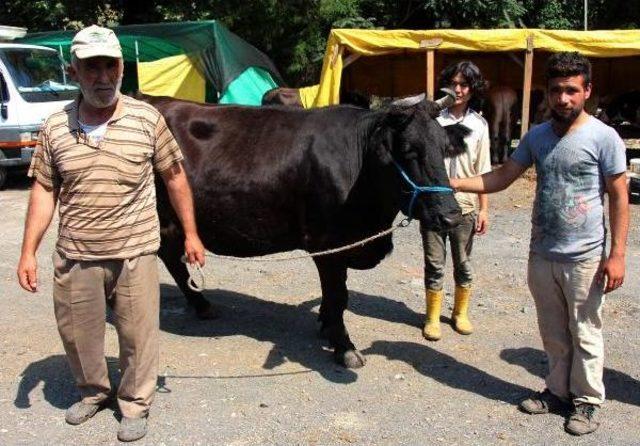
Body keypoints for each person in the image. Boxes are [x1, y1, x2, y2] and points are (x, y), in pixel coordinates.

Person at [16, 25, 206, 442]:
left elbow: (174, 177)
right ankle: (94, 391)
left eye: (110, 65)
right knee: (79, 333)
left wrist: (191, 234)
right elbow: (45, 187)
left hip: (134, 251)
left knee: (138, 334)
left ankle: (135, 402)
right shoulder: (55, 126)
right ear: (74, 71)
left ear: (121, 67)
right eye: (91, 67)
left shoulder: (146, 118)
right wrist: (28, 251)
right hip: (77, 252)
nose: (102, 76)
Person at [450, 52, 628, 436]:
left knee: (585, 330)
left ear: (587, 91)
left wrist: (616, 255)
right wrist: (455, 184)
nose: (563, 99)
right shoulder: (536, 137)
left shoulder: (604, 137)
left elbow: (618, 196)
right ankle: (558, 391)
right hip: (542, 254)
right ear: (545, 93)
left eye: (571, 91)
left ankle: (587, 401)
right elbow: (502, 177)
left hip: (585, 258)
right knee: (551, 330)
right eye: (556, 91)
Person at [422, 61, 491, 341]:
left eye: (464, 84)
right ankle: (431, 317)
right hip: (434, 204)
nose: (459, 90)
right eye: (454, 84)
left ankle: (460, 313)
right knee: (434, 263)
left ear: (473, 89)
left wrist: (484, 208)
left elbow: (483, 170)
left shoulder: (479, 125)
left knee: (463, 262)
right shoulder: (434, 121)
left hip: (465, 205)